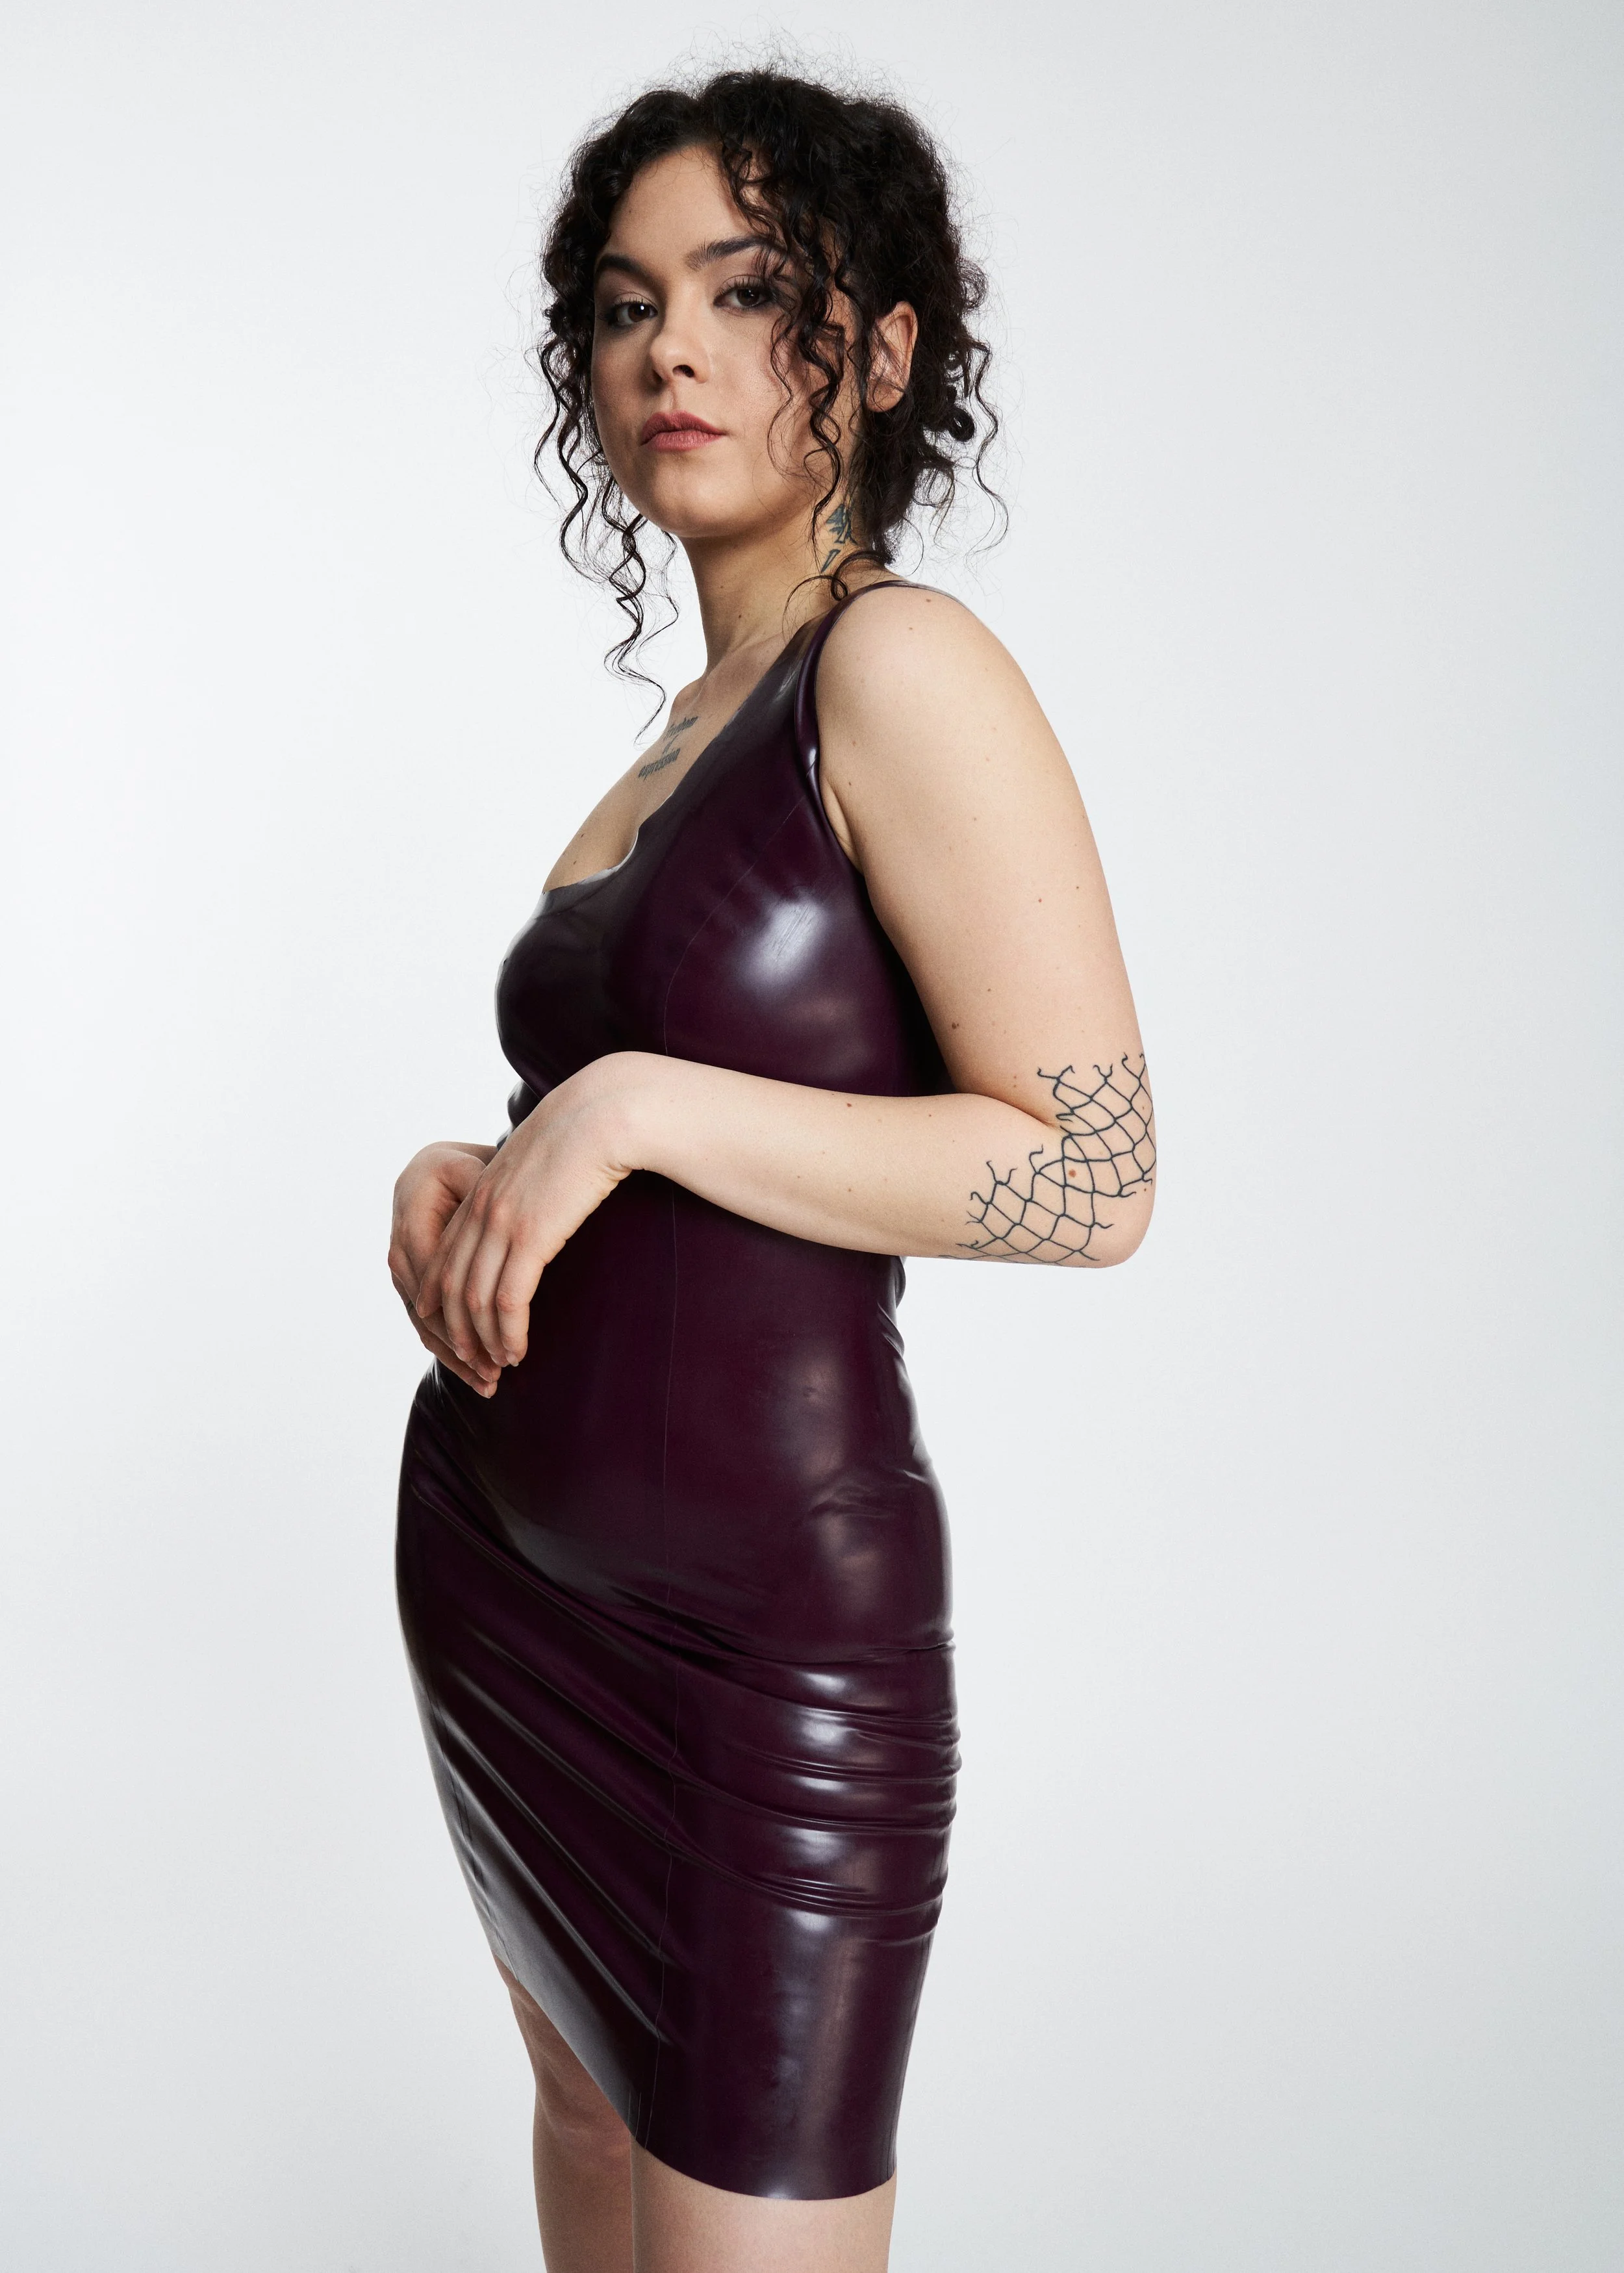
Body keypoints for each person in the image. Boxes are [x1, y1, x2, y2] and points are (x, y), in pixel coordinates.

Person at [389, 66, 1155, 2273]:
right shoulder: (680, 730)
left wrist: (632, 1107)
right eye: (629, 305)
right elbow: (676, 1121)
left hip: (765, 1650)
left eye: (746, 293)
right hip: (509, 1594)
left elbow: (1093, 1175)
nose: (673, 352)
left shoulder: (897, 666)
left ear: (882, 349)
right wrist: (483, 1173)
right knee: (583, 2124)